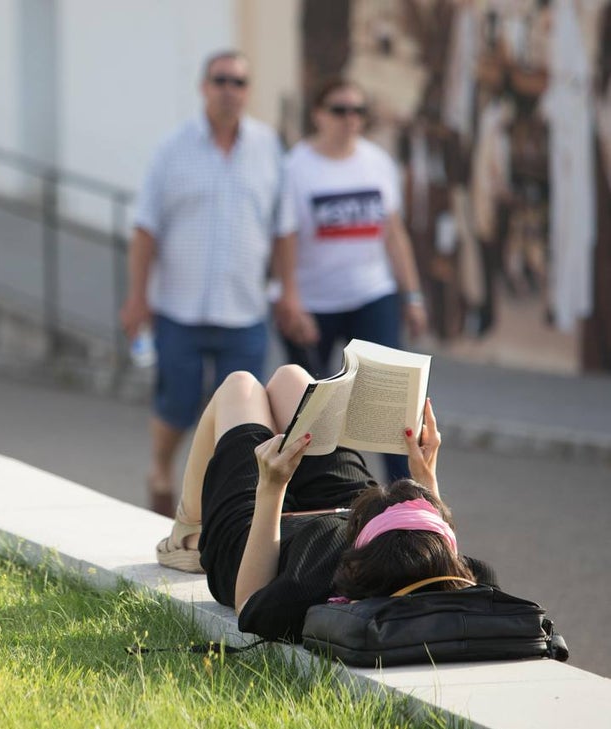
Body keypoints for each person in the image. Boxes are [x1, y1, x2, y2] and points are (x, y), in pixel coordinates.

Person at [154, 364, 496, 642]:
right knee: (295, 380)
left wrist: (272, 489)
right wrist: (426, 482)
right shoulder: (468, 577)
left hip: (262, 537)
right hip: (367, 520)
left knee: (240, 387)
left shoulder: (311, 578)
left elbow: (248, 606)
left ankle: (187, 534)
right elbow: (432, 563)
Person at [120, 50, 290, 518]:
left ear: (248, 90)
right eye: (220, 80)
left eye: (239, 81)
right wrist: (137, 298)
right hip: (179, 308)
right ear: (204, 87)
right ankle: (160, 468)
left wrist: (289, 292)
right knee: (176, 404)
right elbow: (145, 229)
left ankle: (218, 508)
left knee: (242, 418)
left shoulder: (269, 149)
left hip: (244, 310)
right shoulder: (173, 150)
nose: (229, 90)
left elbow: (284, 229)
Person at [272, 78, 428, 483]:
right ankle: (316, 495)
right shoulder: (295, 167)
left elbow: (393, 233)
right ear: (318, 115)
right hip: (313, 303)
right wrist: (290, 298)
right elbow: (284, 236)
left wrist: (411, 295)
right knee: (312, 408)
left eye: (358, 111)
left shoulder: (377, 162)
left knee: (391, 401)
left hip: (371, 294)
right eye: (340, 110)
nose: (350, 119)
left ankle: (403, 493)